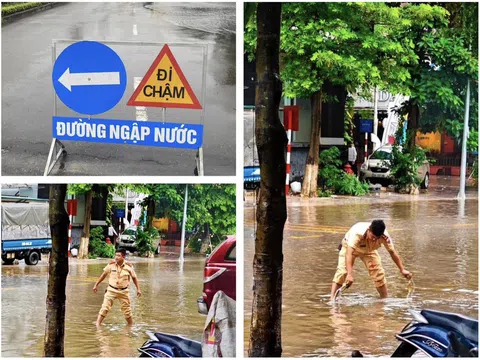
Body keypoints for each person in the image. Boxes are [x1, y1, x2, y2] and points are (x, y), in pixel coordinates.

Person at [330, 220, 412, 300]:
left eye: (377, 238)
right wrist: (350, 274)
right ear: (369, 230)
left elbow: (392, 253)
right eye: (373, 236)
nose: (374, 240)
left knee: (378, 274)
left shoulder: (385, 237)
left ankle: (384, 300)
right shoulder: (357, 233)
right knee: (342, 272)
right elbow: (349, 254)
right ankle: (332, 301)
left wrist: (402, 269)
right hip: (350, 248)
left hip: (369, 250)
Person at [93, 248, 141, 326]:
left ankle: (130, 327)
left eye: (118, 255)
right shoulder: (111, 265)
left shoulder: (129, 266)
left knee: (127, 311)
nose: (116, 257)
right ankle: (97, 325)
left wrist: (138, 289)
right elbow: (103, 275)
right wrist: (96, 284)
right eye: (116, 255)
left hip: (123, 291)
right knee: (105, 308)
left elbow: (134, 278)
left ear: (123, 256)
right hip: (111, 290)